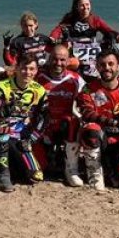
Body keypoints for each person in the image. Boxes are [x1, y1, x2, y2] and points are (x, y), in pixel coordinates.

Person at [0, 54, 48, 192]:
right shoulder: (2, 86)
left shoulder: (40, 90)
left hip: (22, 134)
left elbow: (44, 118)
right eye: (24, 68)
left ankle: (11, 163)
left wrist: (31, 139)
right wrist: (5, 113)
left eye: (32, 69)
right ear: (17, 68)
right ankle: (2, 175)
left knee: (36, 177)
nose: (28, 72)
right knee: (3, 131)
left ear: (37, 71)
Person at [77, 51, 119, 191]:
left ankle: (112, 170)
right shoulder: (88, 89)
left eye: (111, 64)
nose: (107, 68)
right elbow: (87, 113)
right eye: (102, 65)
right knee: (91, 129)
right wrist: (115, 123)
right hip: (100, 138)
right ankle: (95, 176)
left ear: (118, 66)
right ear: (97, 67)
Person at [37, 44, 86, 187]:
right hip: (41, 126)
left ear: (68, 61)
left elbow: (88, 101)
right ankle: (50, 157)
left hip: (65, 125)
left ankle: (71, 170)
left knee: (73, 122)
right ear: (49, 58)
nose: (58, 63)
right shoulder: (38, 77)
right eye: (55, 59)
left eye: (62, 60)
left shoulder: (76, 79)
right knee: (36, 172)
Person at [50, 0, 119, 78]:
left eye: (87, 4)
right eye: (82, 5)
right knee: (73, 64)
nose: (85, 8)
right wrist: (53, 37)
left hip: (91, 52)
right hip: (74, 52)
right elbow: (58, 29)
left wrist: (118, 35)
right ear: (77, 7)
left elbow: (108, 30)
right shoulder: (70, 19)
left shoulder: (95, 20)